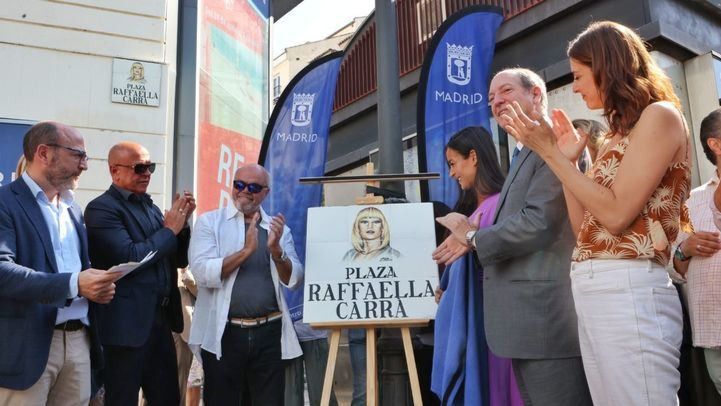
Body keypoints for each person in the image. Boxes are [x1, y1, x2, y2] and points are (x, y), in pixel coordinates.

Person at [500, 21, 688, 405]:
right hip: (595, 285)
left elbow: (617, 215)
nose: (576, 87)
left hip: (630, 285)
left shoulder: (661, 115)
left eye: (579, 75)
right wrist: (567, 164)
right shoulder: (615, 135)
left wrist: (551, 153)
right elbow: (583, 228)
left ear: (608, 67)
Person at [433, 67, 592, 405]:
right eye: (491, 98)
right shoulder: (523, 153)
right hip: (525, 327)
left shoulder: (555, 142)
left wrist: (473, 237)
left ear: (536, 95)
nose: (497, 102)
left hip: (548, 324)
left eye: (505, 91)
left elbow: (538, 222)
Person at [0, 122, 119, 404]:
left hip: (79, 341)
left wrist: (96, 285)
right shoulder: (5, 203)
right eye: (78, 155)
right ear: (43, 153)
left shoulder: (72, 208)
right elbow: (3, 271)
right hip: (27, 345)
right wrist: (75, 283)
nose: (85, 165)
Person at [84, 142, 194, 405]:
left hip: (160, 322)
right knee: (122, 399)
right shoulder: (102, 209)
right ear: (115, 171)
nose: (147, 173)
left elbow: (176, 259)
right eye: (139, 167)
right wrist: (169, 231)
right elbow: (131, 257)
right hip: (125, 328)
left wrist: (182, 226)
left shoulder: (150, 207)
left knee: (167, 398)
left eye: (150, 167)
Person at [188, 163, 303, 405]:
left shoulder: (277, 230)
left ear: (266, 192)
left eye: (253, 187)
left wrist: (276, 251)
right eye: (239, 185)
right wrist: (247, 251)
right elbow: (202, 272)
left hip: (269, 333)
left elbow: (293, 279)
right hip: (224, 333)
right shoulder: (210, 223)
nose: (244, 191)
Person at [431, 127, 523, 406]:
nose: (451, 173)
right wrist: (449, 288)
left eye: (452, 163)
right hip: (479, 328)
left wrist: (470, 240)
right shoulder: (475, 210)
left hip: (491, 330)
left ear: (473, 157)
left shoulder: (497, 207)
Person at [672, 108, 721, 396]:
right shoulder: (692, 201)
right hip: (715, 330)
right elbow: (674, 269)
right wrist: (684, 249)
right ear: (715, 144)